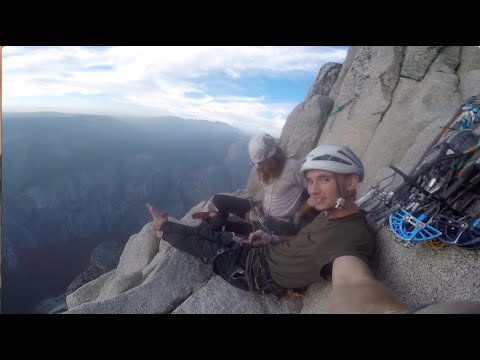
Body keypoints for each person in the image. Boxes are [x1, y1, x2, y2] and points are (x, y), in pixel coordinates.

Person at [146, 144, 480, 313]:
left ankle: (161, 229)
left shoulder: (352, 237)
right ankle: (169, 226)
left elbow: (353, 279)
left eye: (324, 180)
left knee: (203, 244)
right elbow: (306, 240)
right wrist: (274, 237)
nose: (314, 191)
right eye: (311, 182)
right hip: (259, 250)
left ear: (350, 183)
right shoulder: (332, 215)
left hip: (250, 273)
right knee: (213, 231)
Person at [195, 133, 315, 237]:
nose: (261, 167)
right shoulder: (261, 166)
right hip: (260, 211)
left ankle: (219, 221)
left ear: (275, 155)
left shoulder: (293, 168)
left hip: (278, 225)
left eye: (264, 162)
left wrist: (300, 212)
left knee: (224, 227)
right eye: (259, 163)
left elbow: (318, 191)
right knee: (218, 199)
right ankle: (220, 218)